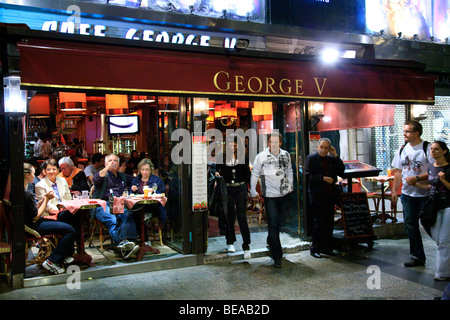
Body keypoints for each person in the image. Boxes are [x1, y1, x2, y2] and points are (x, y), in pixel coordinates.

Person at [391, 120, 433, 267]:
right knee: (410, 225)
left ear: (416, 133)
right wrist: (394, 190)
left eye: (407, 131)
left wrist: (417, 178)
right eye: (404, 131)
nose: (404, 134)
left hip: (425, 194)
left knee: (429, 224)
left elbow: (435, 171)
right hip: (408, 195)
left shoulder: (427, 148)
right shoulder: (402, 149)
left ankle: (444, 247)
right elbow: (397, 172)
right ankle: (417, 256)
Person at [24, 163, 78, 275]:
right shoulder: (27, 193)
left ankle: (66, 254)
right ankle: (53, 260)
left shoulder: (23, 192)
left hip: (34, 222)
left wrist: (41, 201)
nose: (35, 176)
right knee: (71, 230)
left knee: (69, 218)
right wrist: (47, 199)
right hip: (34, 226)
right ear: (27, 175)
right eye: (33, 174)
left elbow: (32, 210)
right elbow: (36, 216)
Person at [250, 132, 294, 268]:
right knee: (274, 225)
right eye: (271, 142)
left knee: (278, 224)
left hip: (283, 195)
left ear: (280, 143)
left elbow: (289, 171)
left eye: (276, 142)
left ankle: (271, 240)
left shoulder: (286, 155)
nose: (273, 144)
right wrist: (253, 190)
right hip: (269, 196)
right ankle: (277, 256)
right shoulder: (261, 156)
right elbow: (255, 173)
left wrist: (290, 185)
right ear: (268, 143)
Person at [91, 153, 139, 259]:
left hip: (118, 203)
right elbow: (96, 180)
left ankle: (130, 242)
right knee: (112, 219)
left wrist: (133, 187)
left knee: (127, 214)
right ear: (105, 163)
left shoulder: (122, 176)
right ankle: (123, 244)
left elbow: (135, 180)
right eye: (110, 161)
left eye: (115, 161)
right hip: (102, 205)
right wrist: (108, 167)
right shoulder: (103, 175)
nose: (113, 163)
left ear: (119, 164)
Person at [305, 137, 345, 259]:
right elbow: (308, 177)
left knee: (329, 223)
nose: (323, 150)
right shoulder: (311, 159)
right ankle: (315, 248)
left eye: (326, 148)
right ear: (317, 147)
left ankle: (327, 248)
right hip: (317, 195)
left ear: (329, 149)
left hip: (329, 195)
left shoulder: (331, 160)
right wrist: (323, 178)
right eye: (321, 147)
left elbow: (341, 171)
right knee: (318, 222)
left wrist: (336, 155)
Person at [416, 141, 450, 281]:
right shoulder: (431, 167)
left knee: (444, 241)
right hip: (434, 207)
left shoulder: (449, 168)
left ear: (444, 151)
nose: (433, 151)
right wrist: (416, 183)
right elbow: (430, 186)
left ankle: (442, 273)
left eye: (436, 149)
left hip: (448, 206)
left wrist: (444, 180)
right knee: (438, 237)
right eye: (432, 149)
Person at [216, 134, 252, 258]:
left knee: (242, 216)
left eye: (235, 145)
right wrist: (216, 174)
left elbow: (247, 173)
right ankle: (230, 241)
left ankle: (246, 244)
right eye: (231, 145)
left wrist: (251, 189)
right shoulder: (222, 156)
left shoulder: (244, 157)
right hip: (228, 189)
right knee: (229, 216)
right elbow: (216, 169)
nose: (233, 147)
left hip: (241, 187)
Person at [130, 158, 167, 225]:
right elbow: (130, 195)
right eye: (143, 170)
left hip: (153, 205)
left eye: (147, 170)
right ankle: (139, 231)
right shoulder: (136, 180)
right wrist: (132, 190)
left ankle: (149, 223)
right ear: (140, 170)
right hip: (138, 206)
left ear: (151, 170)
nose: (145, 172)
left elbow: (162, 193)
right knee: (132, 213)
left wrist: (153, 192)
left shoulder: (156, 180)